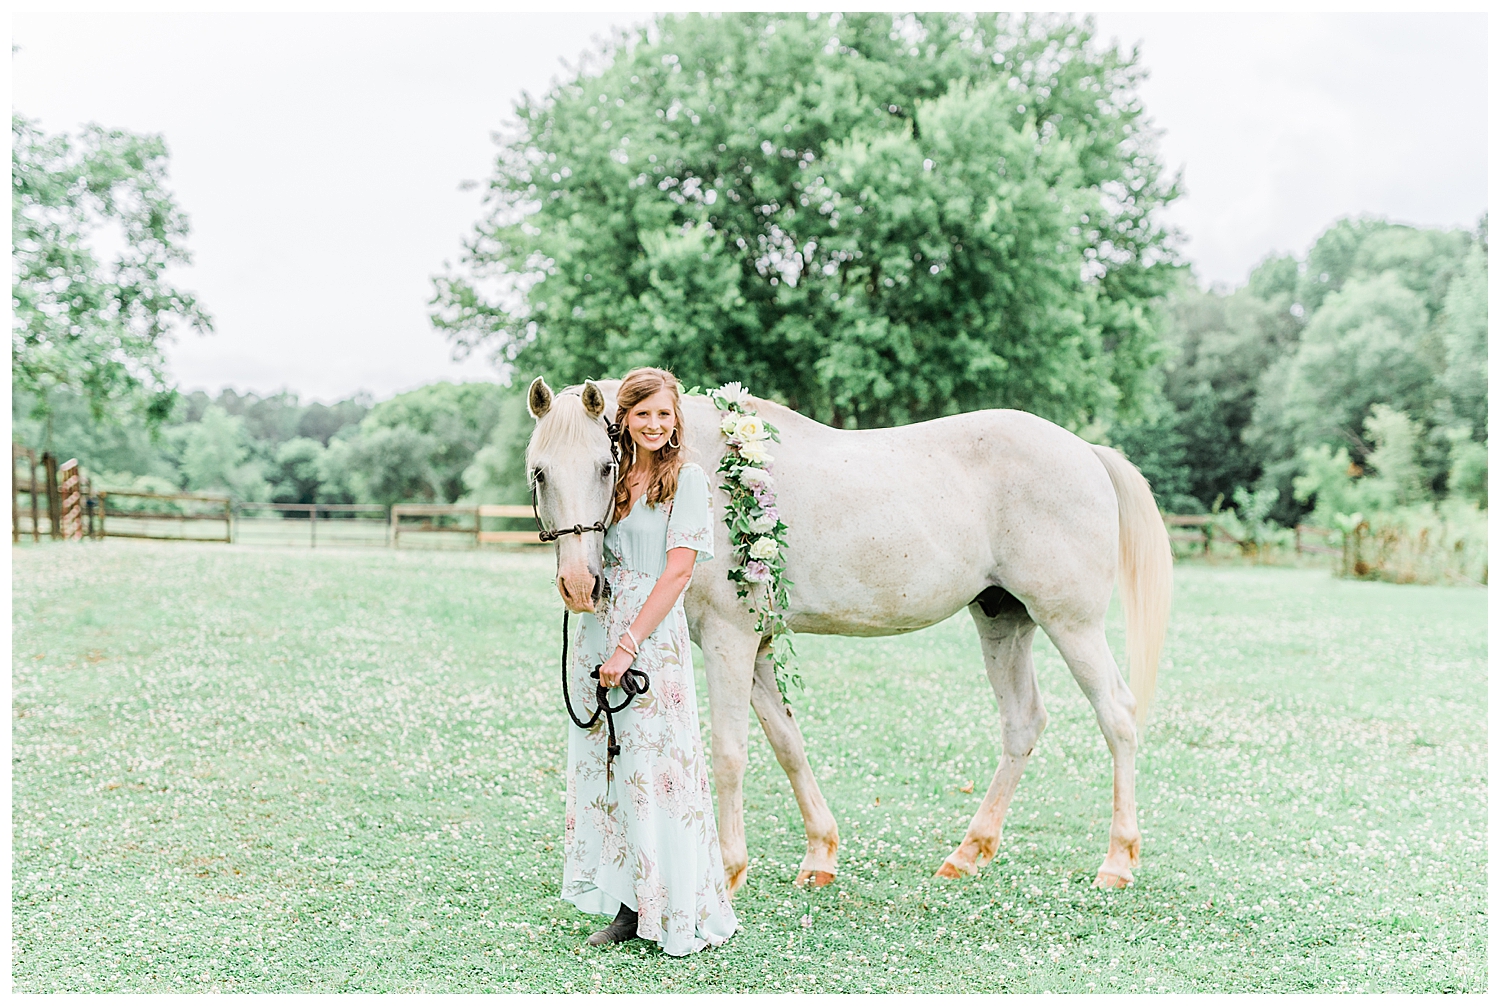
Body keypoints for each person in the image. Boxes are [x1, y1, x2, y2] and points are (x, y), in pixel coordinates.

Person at [562, 367, 738, 956]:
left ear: (676, 419)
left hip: (649, 639)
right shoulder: (611, 480)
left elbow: (680, 571)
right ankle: (627, 901)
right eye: (643, 414)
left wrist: (628, 644)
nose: (655, 425)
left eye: (664, 414)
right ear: (624, 419)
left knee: (655, 766)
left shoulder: (685, 480)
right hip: (603, 628)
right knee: (614, 766)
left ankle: (666, 904)